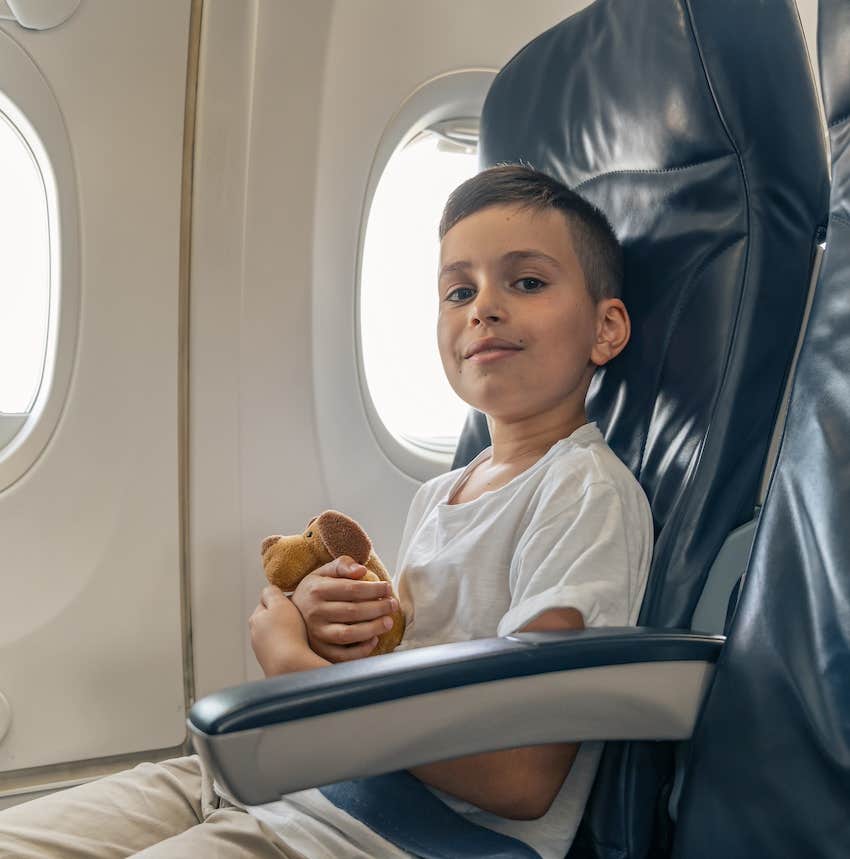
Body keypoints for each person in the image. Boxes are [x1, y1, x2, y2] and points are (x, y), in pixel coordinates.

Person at [0, 164, 653, 859]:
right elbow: (400, 654)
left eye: (526, 281)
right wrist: (326, 624)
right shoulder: (444, 492)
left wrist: (302, 674)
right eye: (459, 290)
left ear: (605, 328)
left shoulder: (582, 493)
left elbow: (523, 774)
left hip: (399, 834)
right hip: (295, 782)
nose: (482, 307)